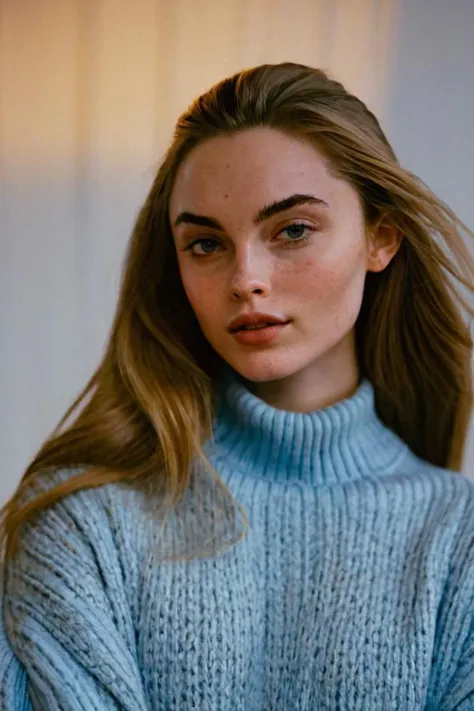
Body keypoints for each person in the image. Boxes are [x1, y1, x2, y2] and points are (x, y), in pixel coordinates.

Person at [1, 62, 473, 710]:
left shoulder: (457, 539)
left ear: (381, 236)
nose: (245, 277)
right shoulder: (85, 517)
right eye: (205, 244)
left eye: (293, 230)